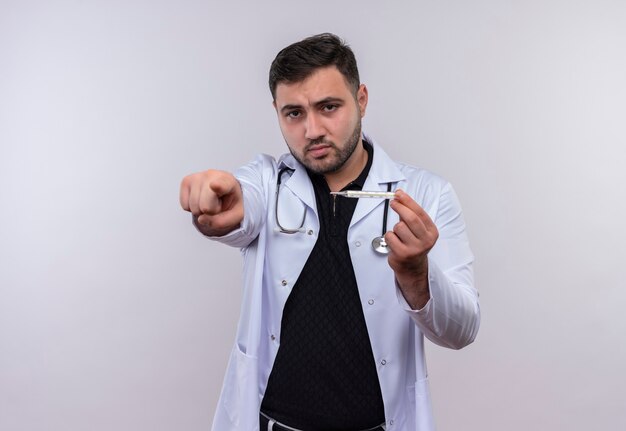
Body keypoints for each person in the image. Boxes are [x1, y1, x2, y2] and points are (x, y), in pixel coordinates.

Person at [180, 33, 480, 431]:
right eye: (294, 113)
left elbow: (462, 330)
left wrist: (417, 275)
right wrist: (224, 206)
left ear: (362, 100)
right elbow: (242, 204)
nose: (312, 130)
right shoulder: (269, 184)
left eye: (328, 107)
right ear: (276, 112)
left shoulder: (427, 194)